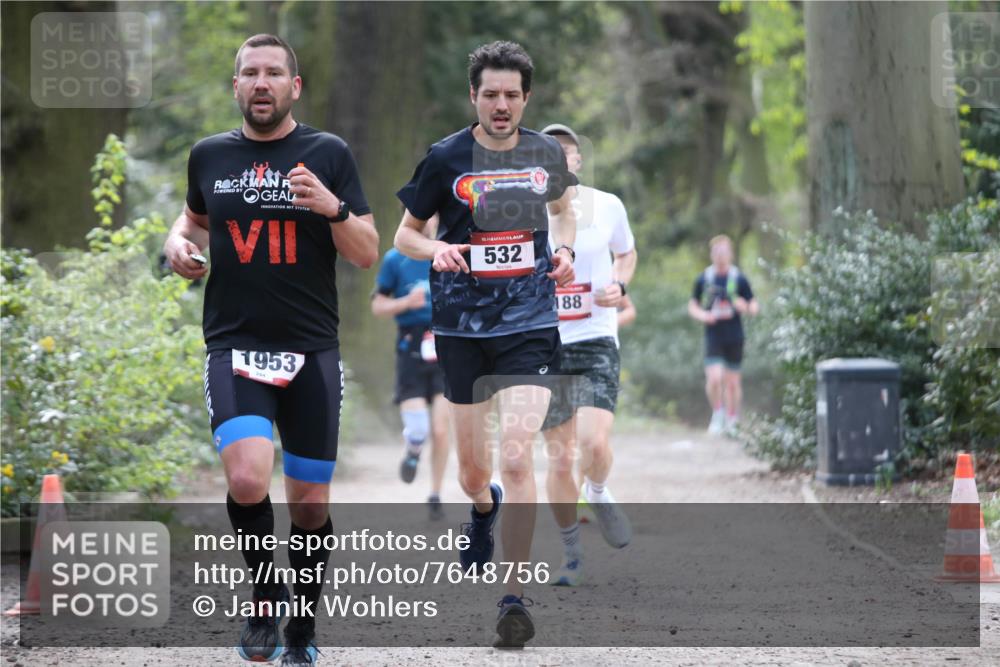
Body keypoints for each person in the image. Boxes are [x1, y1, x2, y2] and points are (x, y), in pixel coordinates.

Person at [163, 34, 378, 667]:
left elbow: (366, 252)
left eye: (274, 73)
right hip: (235, 344)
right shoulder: (208, 156)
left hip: (311, 349)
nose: (262, 83)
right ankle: (264, 595)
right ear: (236, 87)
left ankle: (301, 630)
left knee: (309, 504)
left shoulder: (327, 153)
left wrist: (333, 208)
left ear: (294, 87)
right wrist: (177, 245)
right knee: (248, 478)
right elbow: (192, 220)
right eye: (250, 74)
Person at [393, 41, 577, 649]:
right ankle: (481, 508)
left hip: (529, 323)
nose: (501, 105)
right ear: (473, 96)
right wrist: (437, 249)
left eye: (512, 95)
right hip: (460, 328)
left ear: (527, 98)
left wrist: (567, 251)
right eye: (490, 94)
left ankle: (513, 599)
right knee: (475, 472)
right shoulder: (446, 158)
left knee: (518, 455)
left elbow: (564, 209)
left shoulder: (544, 152)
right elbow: (405, 236)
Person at [537, 123, 637, 587]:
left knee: (594, 443)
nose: (560, 156)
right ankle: (571, 555)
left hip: (596, 334)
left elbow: (627, 254)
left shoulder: (608, 205)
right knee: (559, 459)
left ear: (578, 161)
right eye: (550, 150)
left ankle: (597, 489)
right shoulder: (522, 209)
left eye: (568, 151)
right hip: (544, 342)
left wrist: (620, 284)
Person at [371, 214, 451, 519]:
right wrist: (405, 304)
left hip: (445, 345)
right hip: (411, 346)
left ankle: (436, 493)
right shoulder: (395, 259)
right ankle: (414, 448)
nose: (430, 221)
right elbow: (378, 305)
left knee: (442, 430)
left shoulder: (450, 253)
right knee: (419, 429)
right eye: (424, 215)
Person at [687, 235, 759, 435]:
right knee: (715, 378)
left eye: (724, 251)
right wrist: (704, 315)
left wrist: (745, 307)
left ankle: (732, 419)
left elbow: (753, 305)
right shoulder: (705, 278)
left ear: (730, 253)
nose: (720, 255)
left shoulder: (738, 278)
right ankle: (717, 413)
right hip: (713, 335)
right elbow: (692, 305)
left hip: (735, 335)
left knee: (733, 382)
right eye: (717, 251)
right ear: (712, 254)